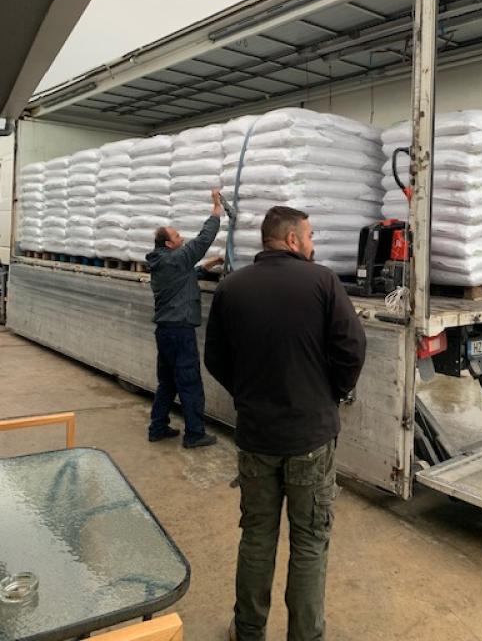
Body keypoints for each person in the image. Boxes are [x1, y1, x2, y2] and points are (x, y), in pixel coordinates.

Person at [204, 205, 367, 641]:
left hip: (257, 435)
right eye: (309, 237)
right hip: (310, 436)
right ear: (292, 239)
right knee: (310, 542)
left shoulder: (231, 288)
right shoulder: (322, 282)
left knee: (256, 536)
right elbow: (352, 348)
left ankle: (248, 631)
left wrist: (247, 394)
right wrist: (331, 393)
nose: (312, 245)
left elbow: (214, 358)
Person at [146, 187, 223, 449]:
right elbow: (203, 240)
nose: (182, 238)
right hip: (180, 331)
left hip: (165, 331)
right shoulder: (176, 259)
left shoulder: (164, 263)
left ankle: (157, 428)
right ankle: (194, 434)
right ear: (169, 244)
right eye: (177, 236)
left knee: (167, 382)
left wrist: (209, 265)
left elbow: (187, 276)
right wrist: (216, 209)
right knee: (189, 382)